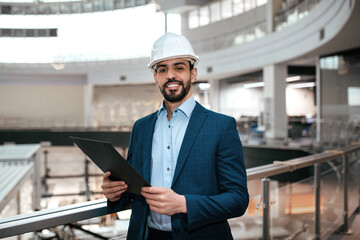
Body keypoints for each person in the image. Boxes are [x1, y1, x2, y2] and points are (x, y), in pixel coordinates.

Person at [101, 32, 249, 240]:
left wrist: (184, 204)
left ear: (193, 73)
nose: (171, 75)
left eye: (179, 67)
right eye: (163, 69)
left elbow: (238, 199)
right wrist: (115, 192)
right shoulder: (142, 128)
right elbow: (134, 191)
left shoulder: (221, 126)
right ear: (156, 78)